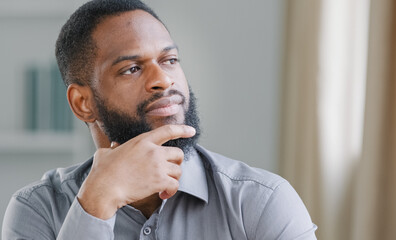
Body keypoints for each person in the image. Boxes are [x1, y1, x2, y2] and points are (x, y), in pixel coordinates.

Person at [2, 0, 317, 239]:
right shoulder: (38, 210)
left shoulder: (262, 202)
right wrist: (96, 203)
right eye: (132, 68)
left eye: (169, 60)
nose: (163, 80)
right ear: (83, 103)